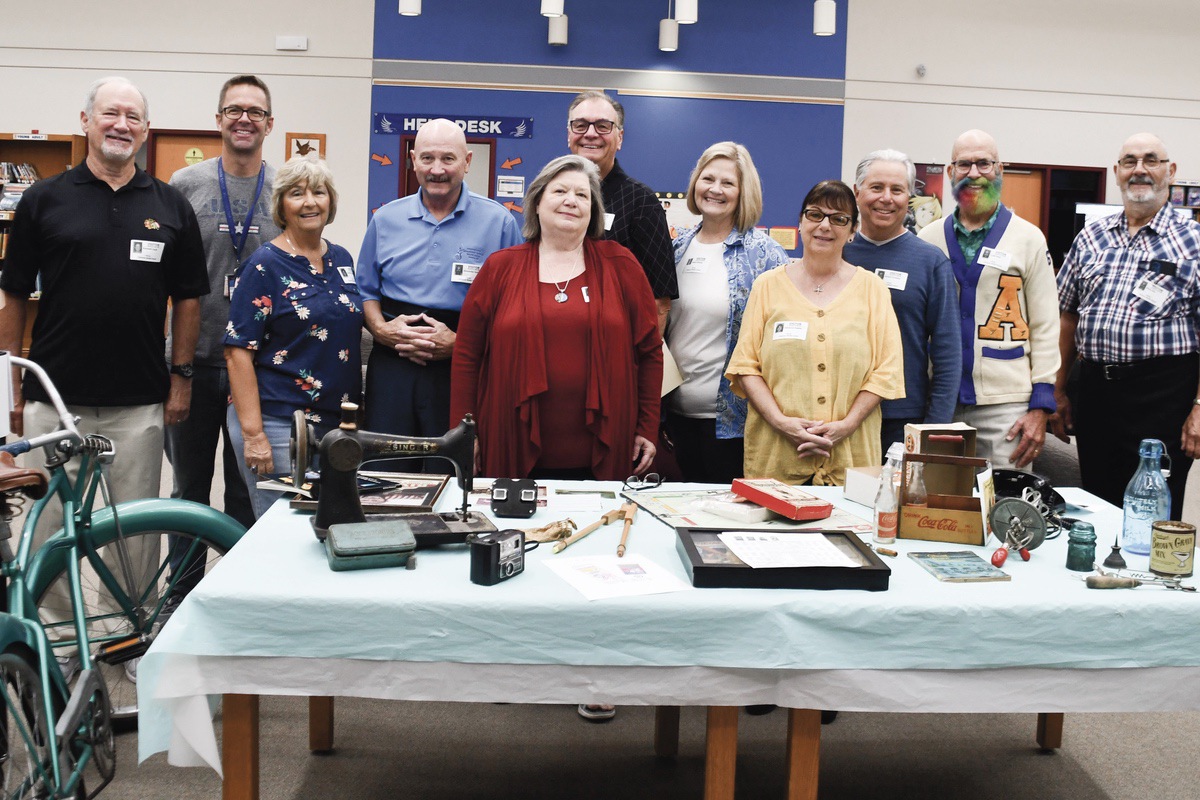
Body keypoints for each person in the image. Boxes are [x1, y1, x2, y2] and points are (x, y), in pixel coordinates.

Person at [0, 76, 208, 642]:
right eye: (110, 114)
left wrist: (181, 377)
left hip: (137, 401)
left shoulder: (169, 205)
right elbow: (14, 292)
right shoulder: (44, 198)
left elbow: (189, 298)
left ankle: (122, 636)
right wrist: (7, 383)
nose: (121, 124)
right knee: (46, 527)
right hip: (52, 399)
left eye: (133, 116)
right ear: (86, 121)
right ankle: (61, 642)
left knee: (131, 528)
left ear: (145, 130)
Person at [450, 154, 662, 483]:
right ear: (536, 202)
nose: (571, 201)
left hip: (605, 446)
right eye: (560, 191)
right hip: (509, 441)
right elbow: (467, 356)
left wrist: (647, 426)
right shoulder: (500, 268)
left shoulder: (622, 265)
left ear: (593, 210)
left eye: (582, 195)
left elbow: (649, 351)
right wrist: (465, 433)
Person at [357, 119, 520, 468]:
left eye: (448, 158)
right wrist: (382, 331)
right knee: (385, 469)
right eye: (427, 158)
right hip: (393, 362)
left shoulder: (500, 223)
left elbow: (514, 309)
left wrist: (461, 344)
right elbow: (366, 291)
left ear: (468, 161)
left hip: (462, 367)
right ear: (413, 160)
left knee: (453, 467)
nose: (437, 169)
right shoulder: (385, 220)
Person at [1052, 133, 1200, 519]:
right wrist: (1057, 389)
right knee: (1097, 502)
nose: (1140, 169)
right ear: (1117, 173)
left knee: (1151, 509)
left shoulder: (1193, 244)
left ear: (1170, 171)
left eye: (1151, 160)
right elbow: (1066, 314)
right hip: (1097, 392)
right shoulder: (1092, 237)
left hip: (1163, 398)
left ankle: (1151, 579)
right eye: (1130, 161)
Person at [726, 181, 903, 485]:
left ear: (852, 231)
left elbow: (886, 372)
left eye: (838, 218)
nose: (825, 225)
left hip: (851, 462)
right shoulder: (767, 286)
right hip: (777, 459)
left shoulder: (872, 289)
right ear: (801, 221)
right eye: (815, 214)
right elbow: (745, 366)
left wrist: (846, 426)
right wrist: (782, 423)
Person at [166, 75, 279, 534]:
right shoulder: (183, 184)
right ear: (218, 120)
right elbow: (165, 278)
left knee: (246, 492)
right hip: (191, 364)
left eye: (255, 112)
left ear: (269, 124)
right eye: (235, 110)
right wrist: (175, 367)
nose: (244, 119)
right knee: (187, 490)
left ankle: (233, 599)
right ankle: (180, 596)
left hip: (257, 369)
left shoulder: (285, 186)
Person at [225, 157, 363, 518]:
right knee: (280, 536)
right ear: (281, 205)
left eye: (318, 192)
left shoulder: (342, 259)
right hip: (279, 424)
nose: (309, 202)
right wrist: (254, 436)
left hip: (336, 427)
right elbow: (238, 352)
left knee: (327, 528)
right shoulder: (263, 265)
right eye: (297, 193)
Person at [918, 129, 1060, 472]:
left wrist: (1040, 406)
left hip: (1006, 407)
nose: (974, 173)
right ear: (950, 173)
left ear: (999, 171)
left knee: (1005, 511)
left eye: (984, 163)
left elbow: (1045, 324)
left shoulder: (1028, 239)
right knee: (938, 508)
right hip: (941, 403)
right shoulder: (928, 238)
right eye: (964, 164)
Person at [665, 142, 789, 483]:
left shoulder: (766, 256)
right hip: (674, 419)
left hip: (734, 425)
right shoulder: (675, 248)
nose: (715, 190)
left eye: (727, 183)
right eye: (708, 179)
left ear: (743, 192)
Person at [844, 149, 960, 456]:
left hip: (902, 419)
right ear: (857, 192)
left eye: (897, 190)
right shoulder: (838, 255)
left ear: (909, 197)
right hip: (836, 416)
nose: (886, 198)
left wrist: (933, 430)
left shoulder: (931, 262)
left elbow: (948, 354)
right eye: (876, 187)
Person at [567, 91, 677, 333]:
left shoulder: (642, 202)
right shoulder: (552, 197)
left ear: (619, 138)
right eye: (581, 125)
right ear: (569, 134)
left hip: (616, 349)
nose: (591, 133)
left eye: (603, 126)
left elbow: (660, 302)